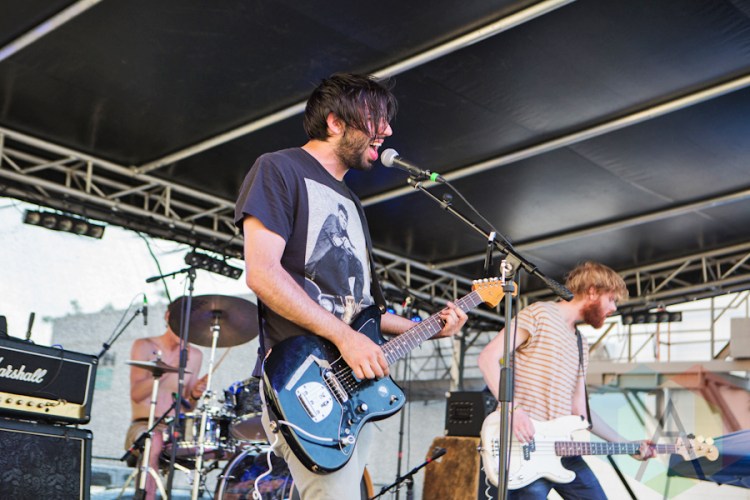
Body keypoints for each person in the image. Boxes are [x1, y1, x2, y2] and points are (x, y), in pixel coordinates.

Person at [235, 72, 468, 499]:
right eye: (376, 119)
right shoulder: (279, 169)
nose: (387, 131)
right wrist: (345, 338)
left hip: (352, 389)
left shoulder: (352, 203)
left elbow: (363, 312)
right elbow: (262, 273)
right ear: (335, 122)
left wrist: (432, 327)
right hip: (303, 384)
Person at [477, 261, 655, 499]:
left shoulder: (581, 343)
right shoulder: (540, 313)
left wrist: (628, 444)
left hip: (563, 451)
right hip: (522, 447)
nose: (614, 308)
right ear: (592, 291)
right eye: (612, 299)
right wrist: (513, 410)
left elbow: (581, 413)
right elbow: (488, 358)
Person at [125, 307, 208, 499]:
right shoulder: (145, 345)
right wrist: (168, 369)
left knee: (216, 448)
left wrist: (195, 395)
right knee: (154, 439)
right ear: (168, 316)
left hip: (174, 427)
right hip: (144, 425)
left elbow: (187, 406)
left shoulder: (195, 355)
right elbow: (136, 394)